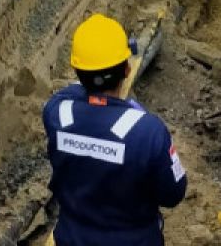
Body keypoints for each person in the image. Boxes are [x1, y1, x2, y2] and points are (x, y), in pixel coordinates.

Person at [42, 14, 187, 245]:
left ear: (77, 70)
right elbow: (173, 194)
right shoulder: (148, 131)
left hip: (71, 238)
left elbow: (69, 92)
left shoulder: (57, 114)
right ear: (127, 70)